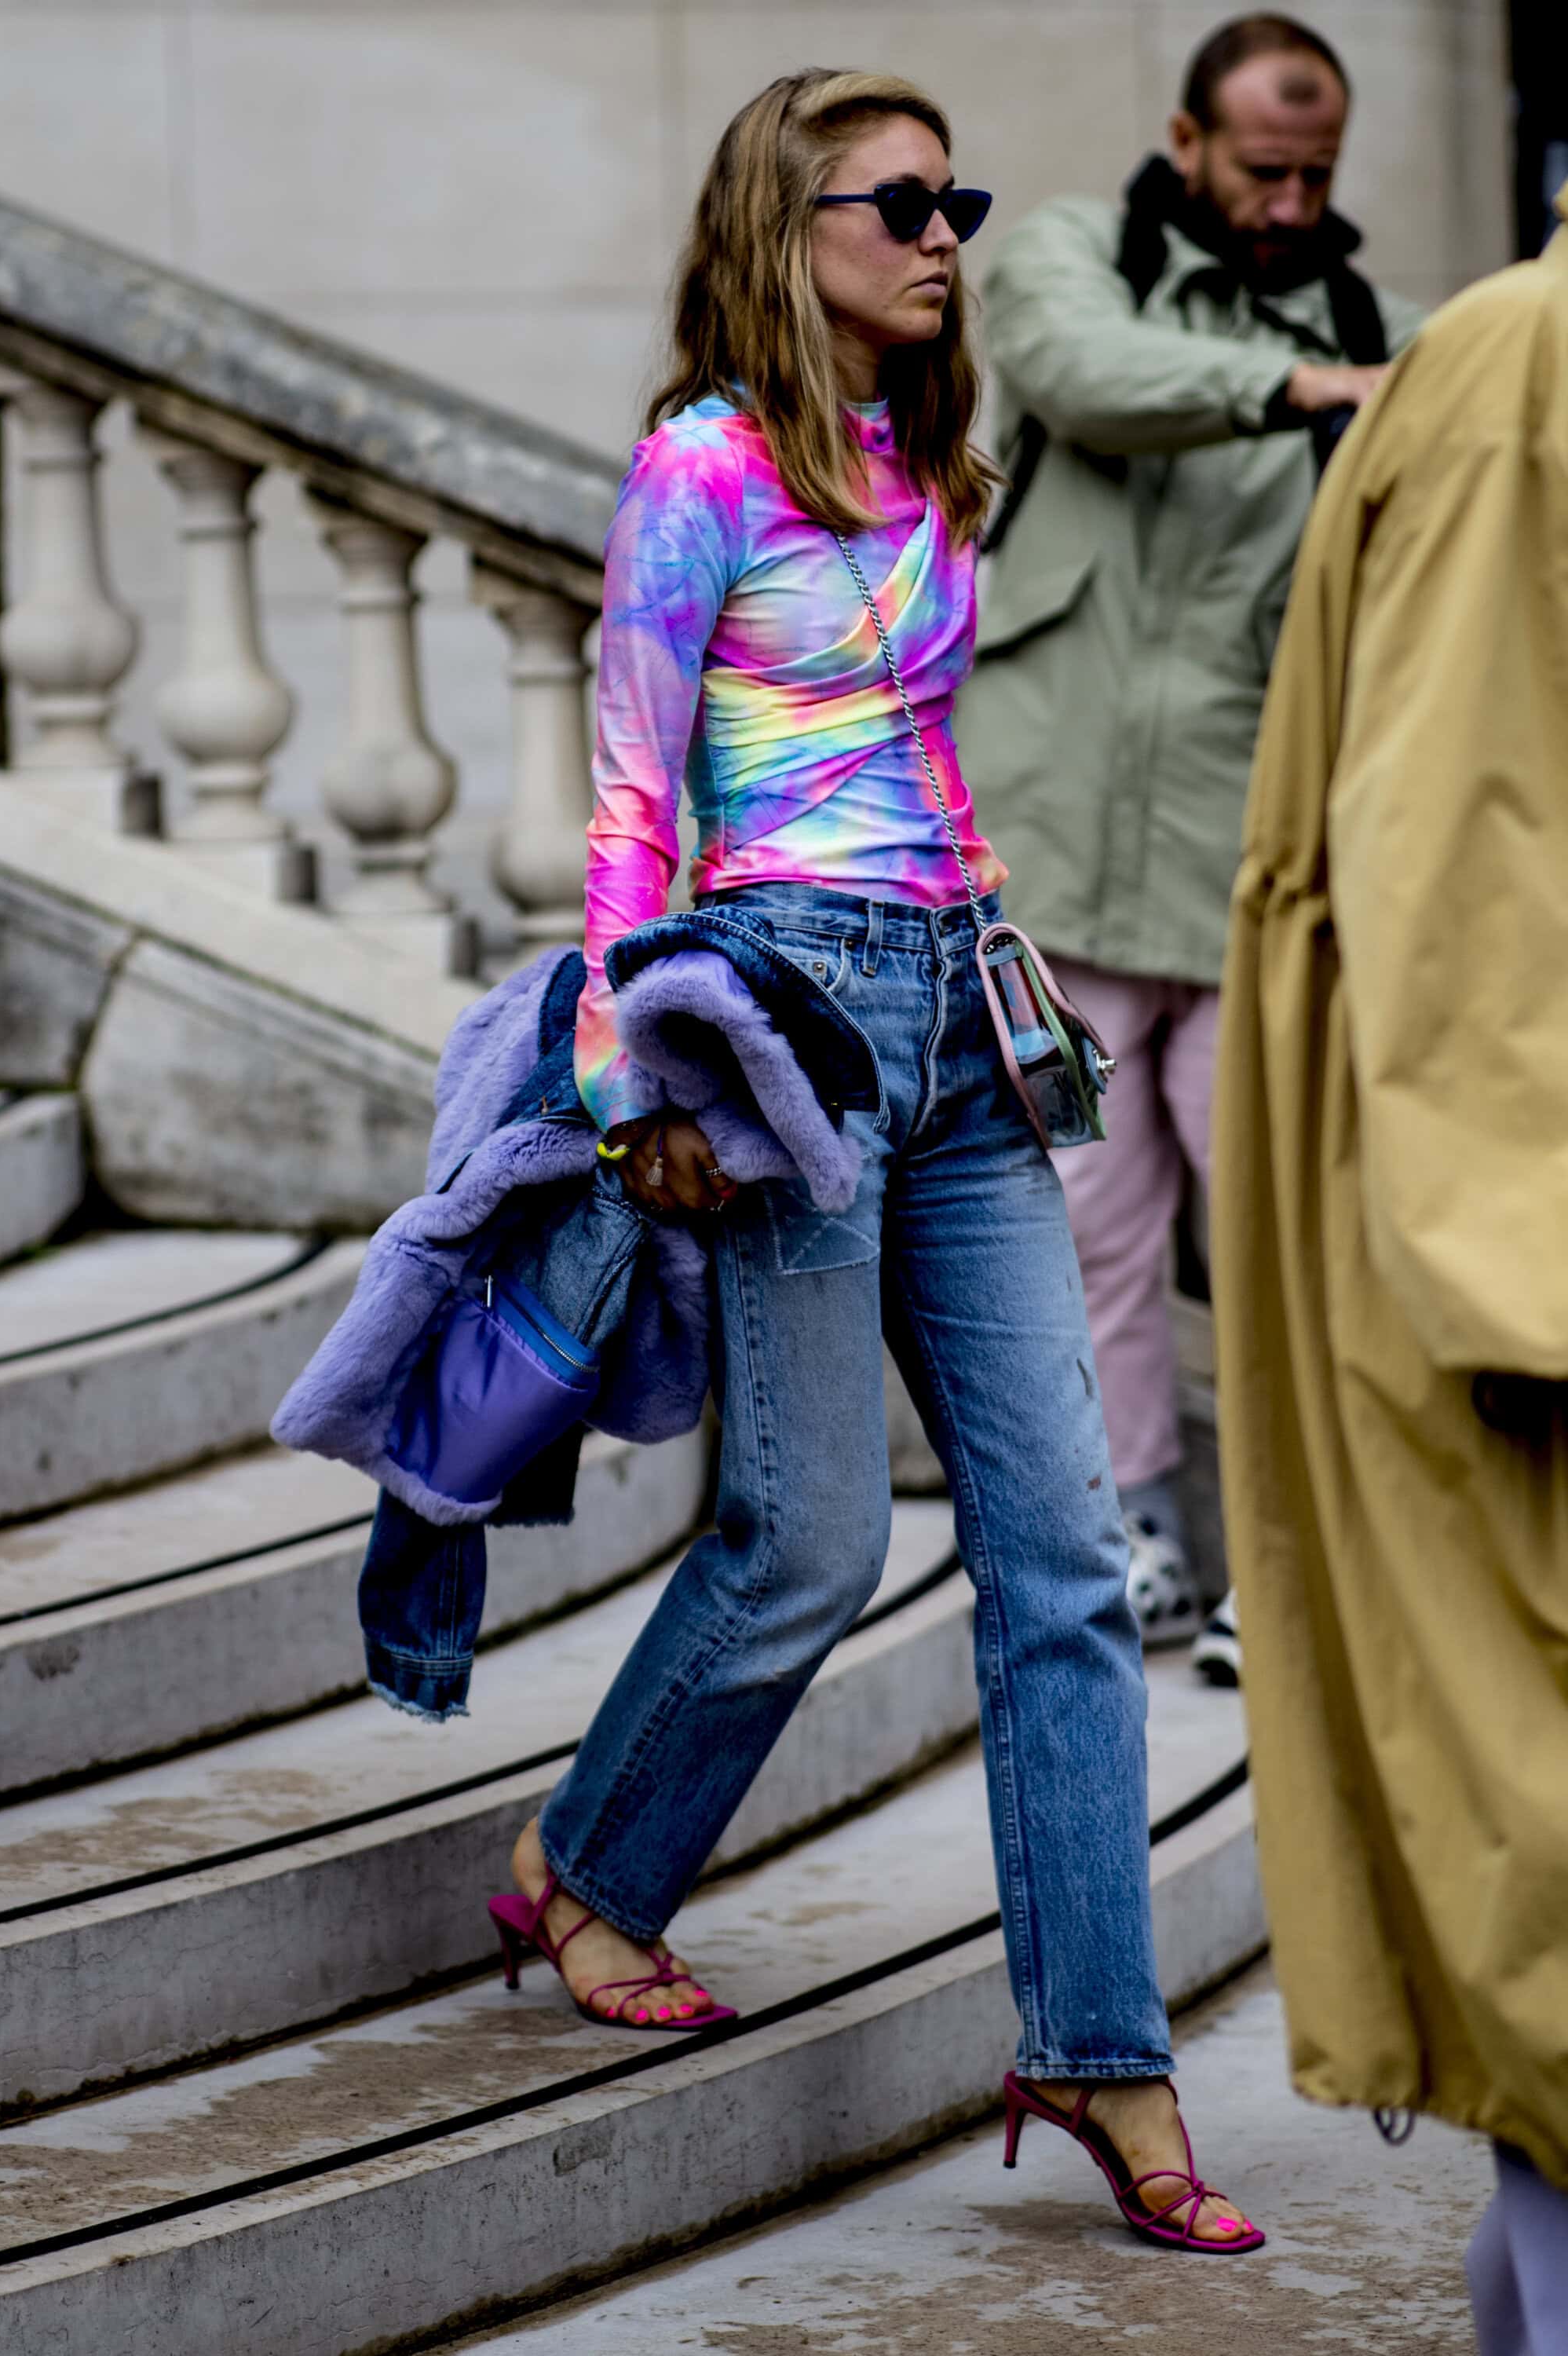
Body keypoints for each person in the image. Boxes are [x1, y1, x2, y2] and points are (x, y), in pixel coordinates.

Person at [495, 68, 1262, 2252]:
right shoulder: (699, 466)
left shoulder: (924, 459)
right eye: (903, 204)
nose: (945, 238)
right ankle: (590, 1865)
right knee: (814, 1538)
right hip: (785, 1030)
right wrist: (633, 1080)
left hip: (958, 1021)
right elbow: (635, 790)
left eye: (958, 204)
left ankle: (1098, 2047)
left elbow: (919, 748)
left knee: (1065, 1560)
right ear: (789, 224)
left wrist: (991, 932)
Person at [956, 13, 1422, 1659]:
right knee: (1089, 1229)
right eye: (1263, 168)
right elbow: (1084, 374)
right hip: (1052, 858)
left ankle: (1283, 1566)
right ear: (1187, 140)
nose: (1293, 202)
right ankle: (1134, 1534)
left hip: (1248, 871)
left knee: (1284, 1233)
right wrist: (1302, 390)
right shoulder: (1074, 256)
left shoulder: (1384, 336)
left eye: (1317, 173)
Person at [1212, 199, 1568, 2346]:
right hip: (1510, 1270)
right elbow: (1451, 861)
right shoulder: (1526, 363)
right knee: (1538, 1879)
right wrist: (1521, 1273)